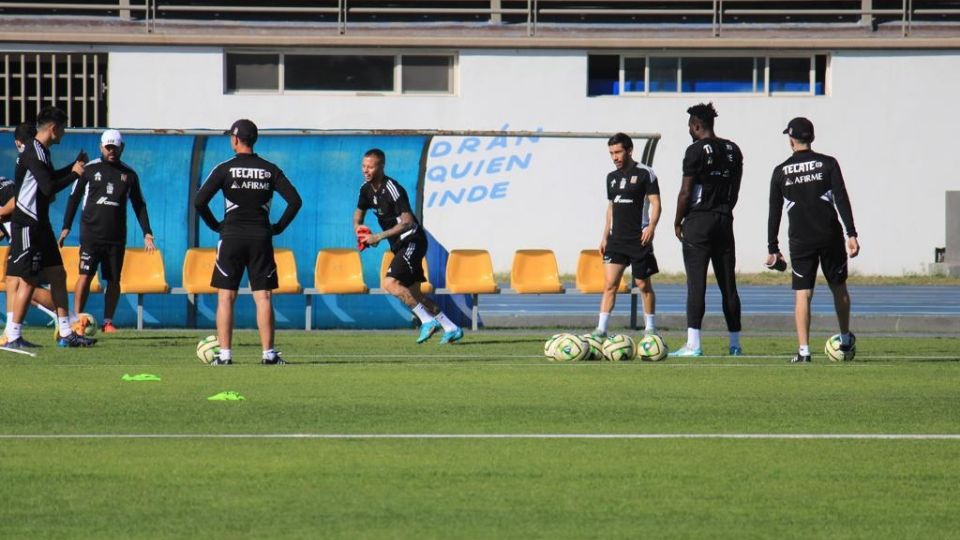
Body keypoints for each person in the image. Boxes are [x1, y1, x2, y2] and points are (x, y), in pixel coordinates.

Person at [194, 119, 302, 365]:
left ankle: (225, 355)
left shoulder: (224, 168)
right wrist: (278, 227)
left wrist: (215, 225)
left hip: (231, 237)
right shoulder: (270, 169)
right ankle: (268, 354)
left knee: (226, 297)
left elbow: (199, 201)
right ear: (254, 140)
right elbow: (295, 201)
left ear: (234, 139)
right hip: (260, 238)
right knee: (263, 297)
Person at [767, 117, 860, 363]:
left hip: (800, 239)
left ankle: (804, 351)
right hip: (830, 235)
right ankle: (845, 339)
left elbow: (774, 212)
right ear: (812, 138)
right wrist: (852, 233)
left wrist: (772, 248)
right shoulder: (828, 164)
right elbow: (842, 199)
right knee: (838, 287)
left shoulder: (781, 171)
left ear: (791, 140)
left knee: (802, 293)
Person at [3, 106, 96, 349]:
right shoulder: (33, 151)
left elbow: (50, 178)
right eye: (63, 128)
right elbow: (48, 188)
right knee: (28, 280)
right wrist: (74, 174)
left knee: (57, 274)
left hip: (41, 225)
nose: (64, 133)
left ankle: (66, 331)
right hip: (28, 225)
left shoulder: (41, 151)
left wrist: (73, 168)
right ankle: (13, 335)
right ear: (53, 128)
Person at [353, 148, 463, 344]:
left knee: (389, 283)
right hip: (398, 245)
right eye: (363, 166)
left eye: (370, 166)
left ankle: (428, 321)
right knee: (414, 294)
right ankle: (450, 327)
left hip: (412, 240)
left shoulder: (393, 188)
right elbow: (358, 213)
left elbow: (408, 222)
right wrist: (359, 229)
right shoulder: (365, 189)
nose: (366, 170)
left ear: (381, 166)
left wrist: (378, 236)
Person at [59, 129, 156, 333]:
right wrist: (66, 227)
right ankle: (77, 318)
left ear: (122, 148)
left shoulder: (129, 175)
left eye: (115, 147)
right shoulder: (89, 170)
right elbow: (74, 198)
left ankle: (108, 321)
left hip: (116, 237)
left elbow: (139, 204)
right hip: (91, 235)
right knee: (85, 275)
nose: (111, 150)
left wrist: (147, 232)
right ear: (101, 147)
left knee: (113, 280)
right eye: (108, 147)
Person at [671, 103, 744, 357]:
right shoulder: (733, 149)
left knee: (696, 283)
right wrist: (723, 210)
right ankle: (735, 344)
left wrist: (678, 221)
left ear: (696, 125)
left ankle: (694, 344)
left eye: (690, 126)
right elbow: (735, 191)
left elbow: (685, 192)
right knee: (728, 285)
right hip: (724, 219)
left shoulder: (694, 150)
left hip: (699, 222)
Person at [593, 132, 661, 338]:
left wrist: (651, 227)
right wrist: (605, 235)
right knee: (609, 285)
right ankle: (601, 329)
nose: (615, 157)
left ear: (629, 150)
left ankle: (650, 328)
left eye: (618, 152)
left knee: (643, 285)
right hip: (617, 240)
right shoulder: (611, 178)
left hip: (639, 239)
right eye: (611, 153)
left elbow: (656, 204)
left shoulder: (645, 173)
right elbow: (611, 207)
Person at [0, 123, 60, 344]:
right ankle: (10, 330)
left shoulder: (30, 157)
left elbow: (16, 203)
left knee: (25, 283)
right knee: (14, 280)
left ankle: (70, 316)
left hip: (27, 231)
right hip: (30, 230)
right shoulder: (32, 159)